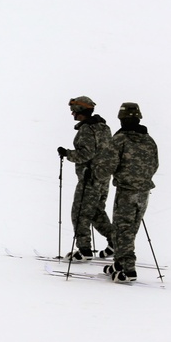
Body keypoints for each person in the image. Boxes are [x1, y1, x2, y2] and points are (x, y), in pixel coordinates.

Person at [100, 102, 159, 283]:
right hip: (144, 191)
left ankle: (127, 268)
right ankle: (119, 262)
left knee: (122, 229)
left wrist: (96, 173)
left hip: (126, 191)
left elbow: (108, 165)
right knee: (131, 229)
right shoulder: (149, 140)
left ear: (121, 119)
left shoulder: (121, 139)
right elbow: (154, 164)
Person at [57, 96, 115, 260]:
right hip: (103, 177)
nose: (72, 114)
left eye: (74, 110)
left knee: (80, 212)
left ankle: (84, 250)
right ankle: (116, 241)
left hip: (90, 178)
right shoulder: (104, 128)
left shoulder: (87, 130)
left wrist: (67, 154)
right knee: (96, 212)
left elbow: (86, 154)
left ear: (81, 111)